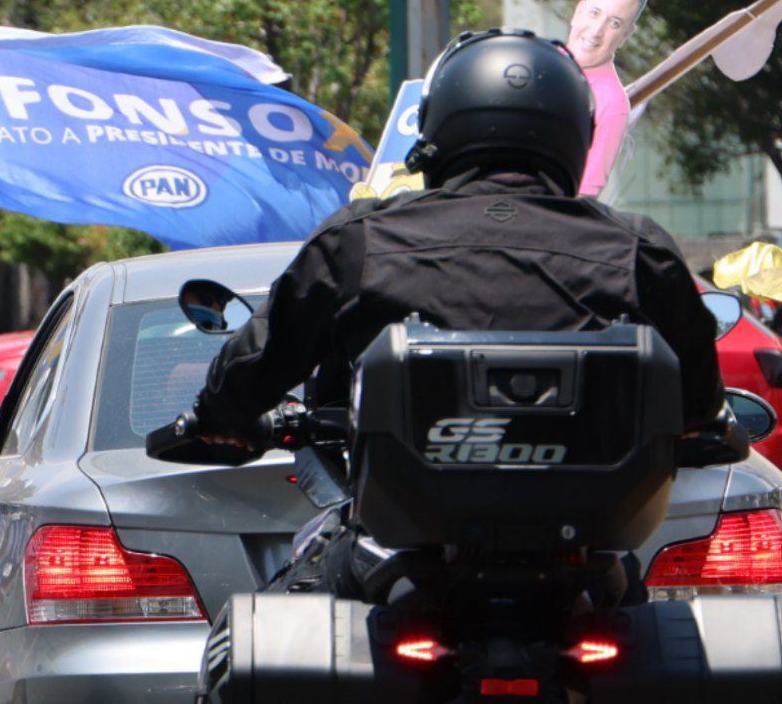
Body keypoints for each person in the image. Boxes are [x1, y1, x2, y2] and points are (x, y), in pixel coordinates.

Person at [192, 30, 724, 594]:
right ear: (576, 133)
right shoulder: (638, 249)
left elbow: (264, 358)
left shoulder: (361, 239)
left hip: (399, 560)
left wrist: (217, 419)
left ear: (437, 128)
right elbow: (698, 401)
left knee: (275, 625)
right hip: (585, 573)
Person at [567, 0, 648, 197]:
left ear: (625, 35)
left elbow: (582, 198)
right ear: (578, 11)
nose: (596, 31)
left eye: (614, 23)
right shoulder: (535, 61)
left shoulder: (611, 104)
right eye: (594, 13)